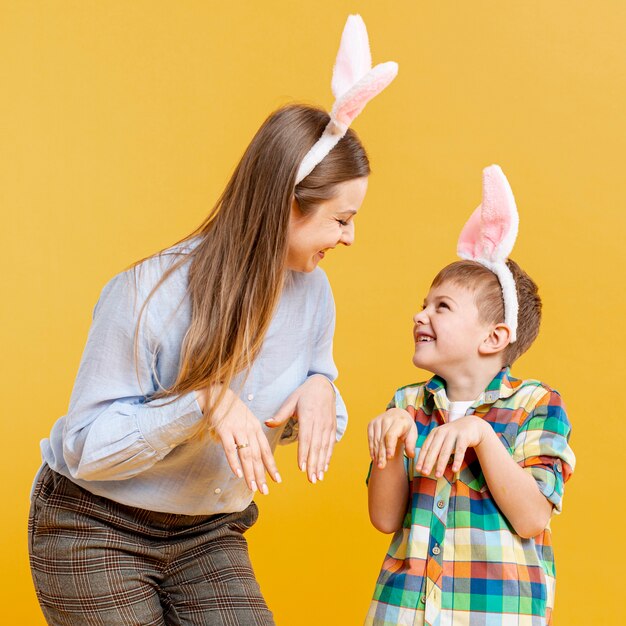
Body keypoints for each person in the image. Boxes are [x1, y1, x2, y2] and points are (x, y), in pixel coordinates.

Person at [28, 15, 397, 626]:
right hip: (94, 523)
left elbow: (297, 420)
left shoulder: (315, 295)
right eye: (340, 218)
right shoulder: (149, 294)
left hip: (208, 533)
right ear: (286, 205)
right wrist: (201, 403)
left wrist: (321, 389)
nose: (350, 237)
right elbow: (86, 449)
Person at [365, 165, 575, 626]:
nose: (420, 315)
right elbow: (384, 519)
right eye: (423, 303)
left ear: (494, 337)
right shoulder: (406, 406)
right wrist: (387, 449)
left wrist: (480, 434)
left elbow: (532, 517)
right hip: (403, 612)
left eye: (442, 307)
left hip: (495, 614)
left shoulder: (537, 405)